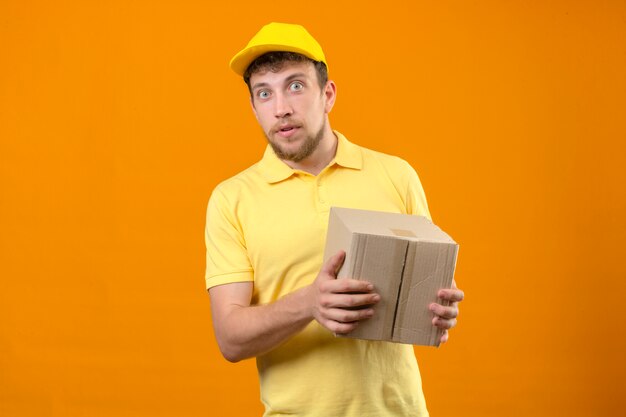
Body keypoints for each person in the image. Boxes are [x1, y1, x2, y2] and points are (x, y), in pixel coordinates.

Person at [205, 22, 464, 417]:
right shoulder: (232, 200)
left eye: (295, 86)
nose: (281, 108)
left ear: (327, 95)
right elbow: (230, 338)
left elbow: (426, 284)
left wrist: (438, 306)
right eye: (264, 93)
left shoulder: (396, 175)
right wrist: (309, 302)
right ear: (254, 108)